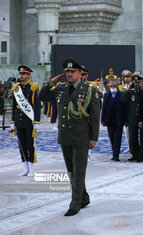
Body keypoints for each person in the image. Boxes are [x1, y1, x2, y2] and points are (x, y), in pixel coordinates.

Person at [39, 58, 100, 216]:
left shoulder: (89, 90)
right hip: (65, 135)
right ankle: (84, 197)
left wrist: (93, 138)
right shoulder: (61, 89)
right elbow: (41, 96)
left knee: (79, 171)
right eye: (67, 71)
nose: (69, 74)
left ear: (80, 73)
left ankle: (75, 204)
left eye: (72, 71)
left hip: (81, 136)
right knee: (71, 171)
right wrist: (52, 82)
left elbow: (94, 117)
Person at [11, 65, 41, 177]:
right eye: (20, 74)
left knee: (30, 144)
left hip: (29, 120)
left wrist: (36, 122)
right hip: (19, 120)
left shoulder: (33, 87)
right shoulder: (16, 88)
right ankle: (25, 168)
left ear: (28, 75)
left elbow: (37, 106)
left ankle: (32, 169)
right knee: (21, 145)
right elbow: (14, 106)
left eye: (24, 74)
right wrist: (13, 122)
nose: (21, 76)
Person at [122, 74, 143, 162]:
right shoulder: (131, 92)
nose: (137, 84)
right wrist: (128, 89)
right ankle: (135, 154)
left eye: (139, 82)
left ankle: (141, 156)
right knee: (132, 138)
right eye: (135, 82)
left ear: (142, 82)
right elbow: (124, 101)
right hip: (132, 118)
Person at [101, 79, 128, 162]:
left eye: (114, 86)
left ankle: (116, 156)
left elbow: (126, 109)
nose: (112, 87)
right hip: (109, 121)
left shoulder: (122, 95)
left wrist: (126, 120)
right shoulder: (106, 95)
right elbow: (104, 108)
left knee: (117, 138)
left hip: (119, 121)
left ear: (117, 85)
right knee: (112, 138)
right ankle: (114, 153)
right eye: (111, 86)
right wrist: (103, 120)